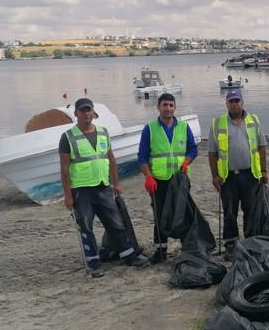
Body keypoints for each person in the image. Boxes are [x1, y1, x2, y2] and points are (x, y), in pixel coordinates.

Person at [59, 98, 147, 277]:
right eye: (82, 111)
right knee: (86, 226)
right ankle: (93, 263)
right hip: (82, 190)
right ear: (76, 114)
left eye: (89, 110)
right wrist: (67, 195)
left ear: (93, 112)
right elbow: (64, 169)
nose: (86, 114)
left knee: (116, 223)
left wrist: (116, 183)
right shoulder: (68, 137)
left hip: (103, 186)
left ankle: (129, 256)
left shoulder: (103, 133)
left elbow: (111, 159)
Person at [138, 92, 198, 264]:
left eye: (171, 105)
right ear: (158, 107)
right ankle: (160, 250)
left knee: (183, 212)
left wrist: (187, 162)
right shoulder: (150, 129)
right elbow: (142, 156)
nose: (168, 108)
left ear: (175, 107)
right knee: (160, 214)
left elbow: (193, 149)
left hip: (180, 178)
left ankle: (187, 247)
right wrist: (148, 177)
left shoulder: (183, 127)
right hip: (159, 180)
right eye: (165, 105)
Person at [208, 90, 268, 253]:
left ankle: (249, 240)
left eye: (237, 101)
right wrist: (215, 176)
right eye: (231, 101)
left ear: (243, 102)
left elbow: (262, 147)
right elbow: (212, 153)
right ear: (227, 104)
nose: (234, 104)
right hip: (228, 177)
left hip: (250, 175)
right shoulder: (217, 124)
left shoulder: (253, 120)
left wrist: (263, 171)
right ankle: (230, 243)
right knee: (229, 211)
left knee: (250, 209)